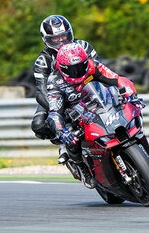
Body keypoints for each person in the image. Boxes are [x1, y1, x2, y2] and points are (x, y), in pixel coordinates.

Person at [45, 42, 147, 188]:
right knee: (71, 140)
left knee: (129, 108)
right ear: (62, 69)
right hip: (73, 114)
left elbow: (118, 79)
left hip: (98, 103)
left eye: (80, 67)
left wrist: (132, 95)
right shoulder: (54, 82)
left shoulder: (93, 66)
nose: (77, 72)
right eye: (72, 70)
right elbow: (54, 112)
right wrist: (63, 132)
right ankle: (83, 169)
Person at [31, 15, 99, 163]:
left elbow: (99, 70)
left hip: (85, 87)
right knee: (38, 124)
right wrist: (60, 110)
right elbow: (42, 91)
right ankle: (64, 141)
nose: (61, 41)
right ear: (46, 39)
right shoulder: (43, 61)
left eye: (64, 36)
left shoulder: (84, 47)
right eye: (55, 38)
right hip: (57, 95)